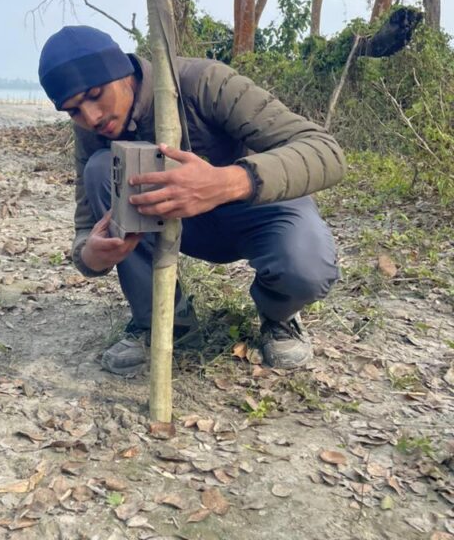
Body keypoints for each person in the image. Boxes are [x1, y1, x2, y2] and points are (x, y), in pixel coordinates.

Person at [38, 25, 345, 375]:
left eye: (95, 94)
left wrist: (226, 181)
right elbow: (84, 228)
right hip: (183, 226)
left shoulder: (203, 82)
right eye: (74, 110)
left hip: (253, 209)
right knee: (100, 169)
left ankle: (279, 316)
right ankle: (167, 320)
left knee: (306, 268)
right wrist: (90, 256)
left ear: (122, 71)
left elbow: (325, 152)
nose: (91, 117)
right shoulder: (93, 129)